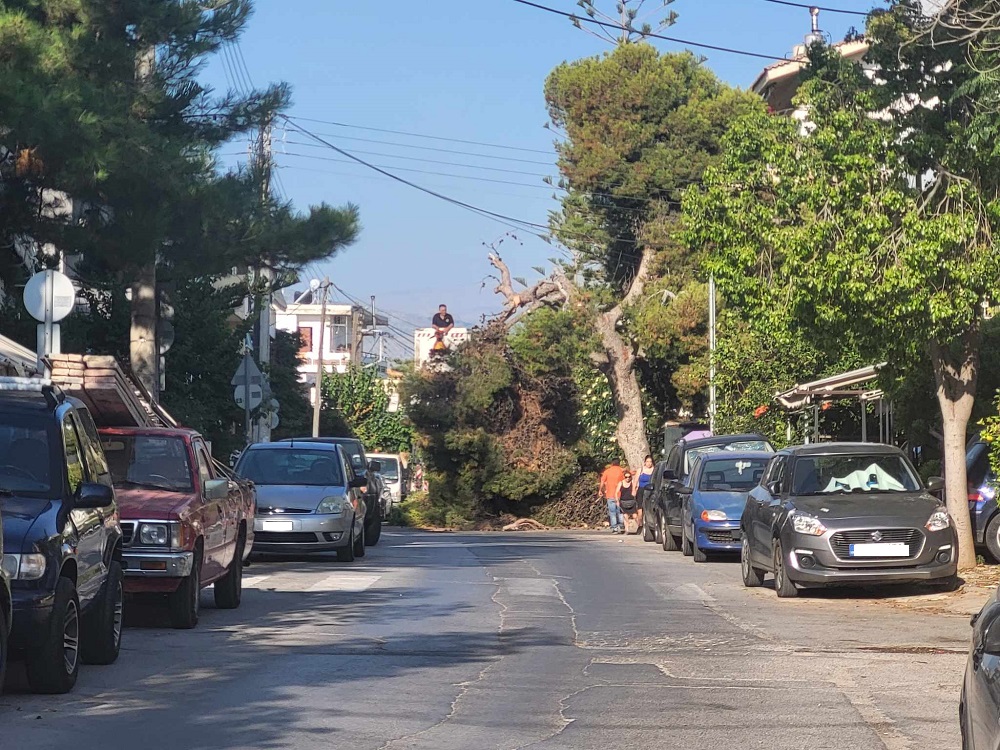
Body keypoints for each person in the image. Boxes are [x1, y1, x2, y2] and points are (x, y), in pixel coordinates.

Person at [599, 458, 626, 533]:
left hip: (610, 494)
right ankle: (621, 526)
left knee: (612, 512)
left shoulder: (607, 471)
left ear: (612, 463)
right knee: (620, 511)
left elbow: (602, 481)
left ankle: (614, 528)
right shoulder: (622, 471)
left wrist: (600, 490)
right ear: (619, 463)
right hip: (620, 494)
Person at [635, 455, 654, 528]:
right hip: (641, 489)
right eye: (647, 461)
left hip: (650, 490)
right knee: (640, 507)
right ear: (645, 462)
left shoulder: (654, 470)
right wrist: (634, 489)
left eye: (650, 462)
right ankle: (640, 524)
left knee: (648, 506)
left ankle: (648, 523)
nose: (649, 463)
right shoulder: (641, 470)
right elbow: (635, 480)